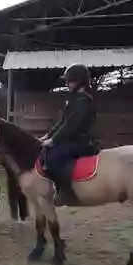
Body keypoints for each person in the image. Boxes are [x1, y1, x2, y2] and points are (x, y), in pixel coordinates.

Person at [39, 63, 98, 206]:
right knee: (45, 153)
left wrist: (53, 141)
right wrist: (47, 136)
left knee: (53, 159)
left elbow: (71, 126)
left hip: (80, 141)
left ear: (80, 82)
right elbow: (62, 122)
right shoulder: (75, 99)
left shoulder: (83, 101)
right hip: (72, 139)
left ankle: (67, 192)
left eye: (71, 81)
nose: (68, 84)